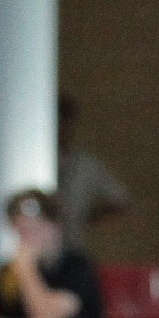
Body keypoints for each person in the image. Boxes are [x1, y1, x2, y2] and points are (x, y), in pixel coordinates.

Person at [51, 95, 132, 251]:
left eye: (64, 123)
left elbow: (121, 198)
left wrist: (86, 216)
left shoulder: (85, 164)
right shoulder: (34, 162)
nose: (61, 129)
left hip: (73, 247)